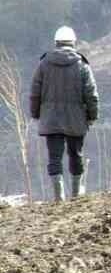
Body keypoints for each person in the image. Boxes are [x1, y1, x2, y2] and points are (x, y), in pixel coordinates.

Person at [30, 26, 99, 202]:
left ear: (56, 43)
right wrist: (92, 116)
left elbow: (35, 92)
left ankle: (58, 197)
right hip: (76, 119)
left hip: (51, 119)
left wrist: (36, 113)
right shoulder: (82, 65)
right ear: (73, 43)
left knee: (54, 157)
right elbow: (91, 94)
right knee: (76, 155)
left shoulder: (43, 64)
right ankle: (76, 195)